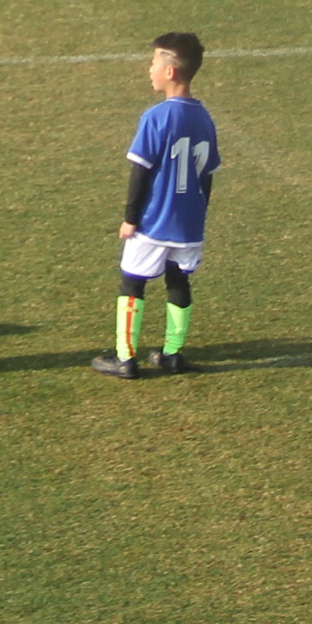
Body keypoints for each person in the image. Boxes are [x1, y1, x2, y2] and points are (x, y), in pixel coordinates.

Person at [92, 32, 220, 378]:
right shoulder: (205, 118)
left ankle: (125, 358)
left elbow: (140, 172)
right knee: (178, 282)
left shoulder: (156, 117)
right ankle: (172, 353)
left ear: (170, 72)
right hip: (189, 224)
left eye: (152, 64)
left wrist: (130, 219)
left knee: (132, 282)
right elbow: (206, 175)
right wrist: (199, 214)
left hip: (153, 222)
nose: (149, 70)